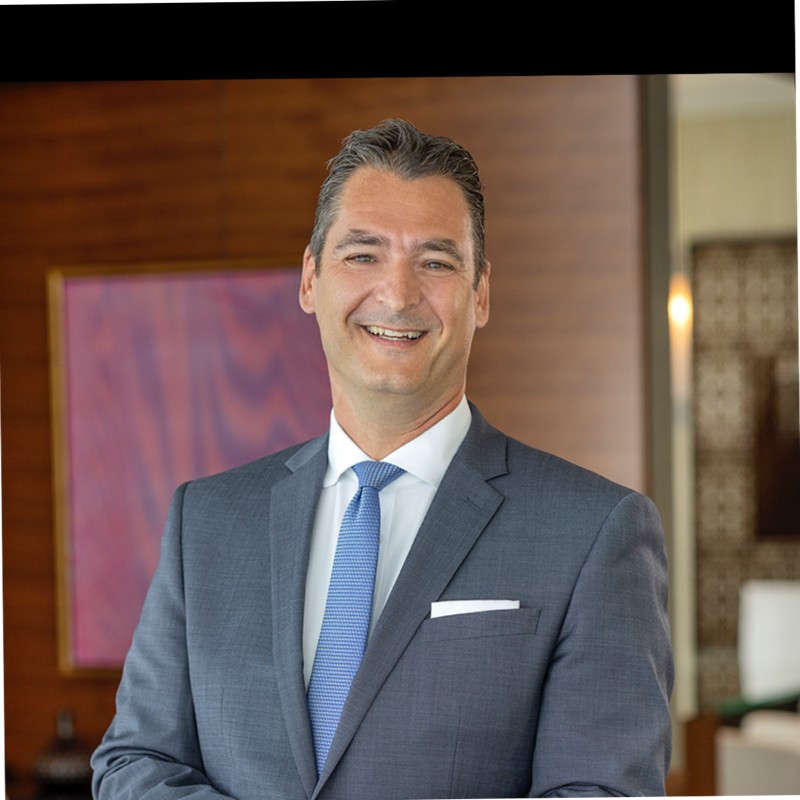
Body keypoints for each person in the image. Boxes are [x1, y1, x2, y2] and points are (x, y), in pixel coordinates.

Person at [91, 119, 673, 799]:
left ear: (481, 294)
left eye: (436, 262)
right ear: (310, 279)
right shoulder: (207, 521)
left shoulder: (596, 532)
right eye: (363, 255)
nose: (397, 295)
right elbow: (135, 762)